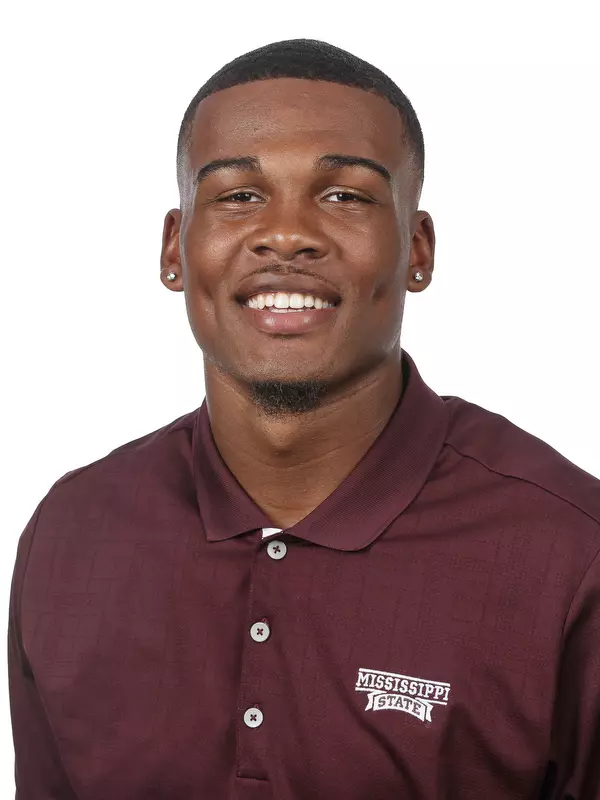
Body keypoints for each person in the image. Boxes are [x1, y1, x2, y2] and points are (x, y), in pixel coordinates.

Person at [7, 37, 600, 800]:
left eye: (345, 196)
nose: (286, 234)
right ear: (174, 249)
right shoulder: (71, 534)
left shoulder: (570, 554)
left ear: (418, 249)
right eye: (238, 196)